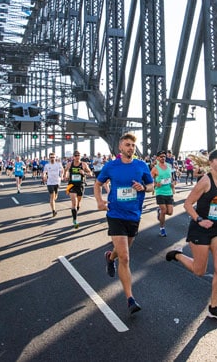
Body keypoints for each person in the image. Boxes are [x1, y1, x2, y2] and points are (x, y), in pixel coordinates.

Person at [165, 149, 217, 323]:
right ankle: (176, 254)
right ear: (211, 163)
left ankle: (213, 308)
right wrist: (199, 220)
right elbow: (188, 204)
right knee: (199, 271)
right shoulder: (205, 181)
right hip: (200, 228)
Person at [94, 133, 154, 314]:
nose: (131, 148)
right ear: (120, 147)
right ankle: (130, 299)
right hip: (115, 214)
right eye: (127, 145)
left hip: (133, 215)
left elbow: (151, 186)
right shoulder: (111, 166)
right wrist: (99, 201)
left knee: (122, 252)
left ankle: (110, 258)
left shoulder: (141, 165)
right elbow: (97, 184)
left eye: (133, 146)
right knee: (126, 257)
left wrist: (144, 187)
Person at [63, 150, 93, 229]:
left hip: (80, 185)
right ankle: (75, 220)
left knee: (78, 203)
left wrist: (84, 173)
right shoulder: (70, 164)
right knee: (74, 203)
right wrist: (65, 176)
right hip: (72, 185)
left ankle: (76, 210)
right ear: (73, 156)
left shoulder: (83, 164)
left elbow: (91, 174)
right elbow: (65, 170)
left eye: (78, 155)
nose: (77, 157)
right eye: (76, 155)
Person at [151, 150, 176, 237]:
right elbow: (149, 181)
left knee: (170, 212)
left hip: (168, 191)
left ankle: (159, 211)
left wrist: (173, 184)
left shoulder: (169, 166)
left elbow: (171, 178)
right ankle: (162, 229)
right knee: (164, 210)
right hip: (160, 191)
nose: (163, 158)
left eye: (164, 156)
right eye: (161, 156)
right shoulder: (155, 168)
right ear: (157, 158)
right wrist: (155, 184)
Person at [43, 153, 63, 217]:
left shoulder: (58, 164)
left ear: (55, 158)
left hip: (57, 182)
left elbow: (62, 170)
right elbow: (44, 172)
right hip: (50, 182)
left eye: (53, 157)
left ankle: (53, 202)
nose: (52, 158)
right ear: (49, 158)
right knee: (52, 197)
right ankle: (53, 211)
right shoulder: (47, 165)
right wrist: (44, 176)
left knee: (55, 197)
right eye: (51, 157)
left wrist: (62, 176)